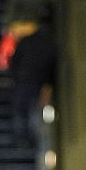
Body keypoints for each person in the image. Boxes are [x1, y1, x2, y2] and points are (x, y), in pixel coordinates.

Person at [9, 21, 57, 149]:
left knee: (20, 110)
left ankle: (19, 138)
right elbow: (51, 66)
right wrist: (48, 83)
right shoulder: (49, 44)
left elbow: (14, 61)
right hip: (37, 82)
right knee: (33, 111)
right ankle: (32, 139)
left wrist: (16, 77)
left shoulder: (26, 41)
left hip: (23, 80)